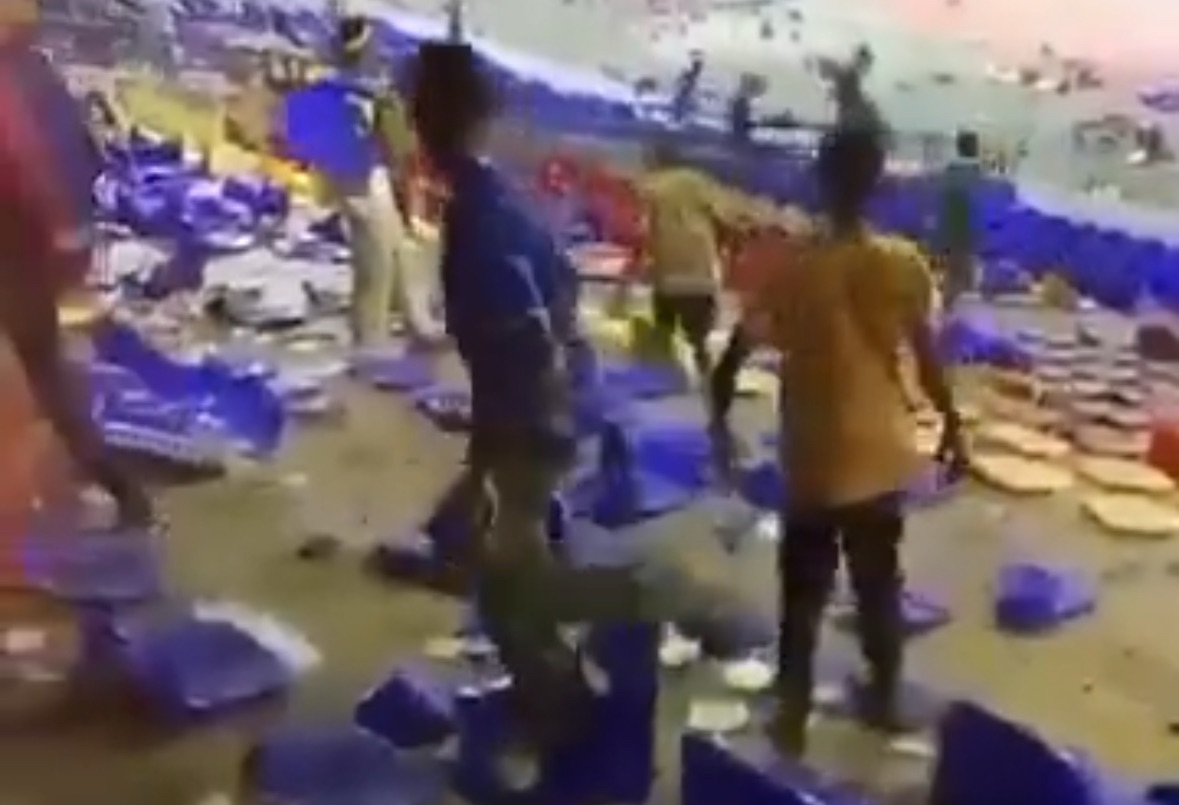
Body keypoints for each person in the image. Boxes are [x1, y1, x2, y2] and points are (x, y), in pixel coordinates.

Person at [712, 125, 967, 756]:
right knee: (878, 583)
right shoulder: (902, 264)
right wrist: (953, 429)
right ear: (878, 184)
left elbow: (734, 357)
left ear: (820, 180)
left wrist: (719, 423)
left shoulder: (793, 269)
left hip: (814, 457)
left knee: (803, 594)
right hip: (882, 453)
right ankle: (884, 697)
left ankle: (791, 715)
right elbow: (927, 358)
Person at [407, 40, 619, 782]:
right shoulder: (496, 197)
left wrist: (493, 459)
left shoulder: (481, 217)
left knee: (506, 591)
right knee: (513, 564)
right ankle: (562, 696)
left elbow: (526, 347)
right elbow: (553, 302)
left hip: (537, 416)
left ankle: (569, 728)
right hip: (544, 407)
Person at [0, 0, 152, 527]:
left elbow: (23, 164)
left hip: (18, 252)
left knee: (44, 373)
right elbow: (80, 155)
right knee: (47, 376)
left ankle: (116, 487)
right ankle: (119, 488)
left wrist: (61, 235)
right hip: (33, 250)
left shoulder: (13, 79)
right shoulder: (35, 70)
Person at [635, 142, 770, 419]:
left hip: (666, 276)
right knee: (700, 345)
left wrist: (633, 273)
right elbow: (731, 219)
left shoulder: (651, 187)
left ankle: (661, 401)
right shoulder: (698, 182)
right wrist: (738, 243)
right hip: (698, 275)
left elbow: (644, 233)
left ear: (656, 161)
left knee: (662, 337)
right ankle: (714, 412)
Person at [331, 16, 441, 351]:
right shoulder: (362, 91)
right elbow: (396, 143)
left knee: (395, 250)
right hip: (360, 180)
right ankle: (370, 341)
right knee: (376, 263)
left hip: (365, 177)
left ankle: (413, 323)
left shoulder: (356, 85)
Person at [935, 129, 982, 311]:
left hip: (949, 232)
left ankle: (948, 309)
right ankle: (953, 311)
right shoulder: (976, 173)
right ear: (974, 147)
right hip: (967, 233)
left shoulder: (949, 172)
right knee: (964, 278)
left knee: (954, 275)